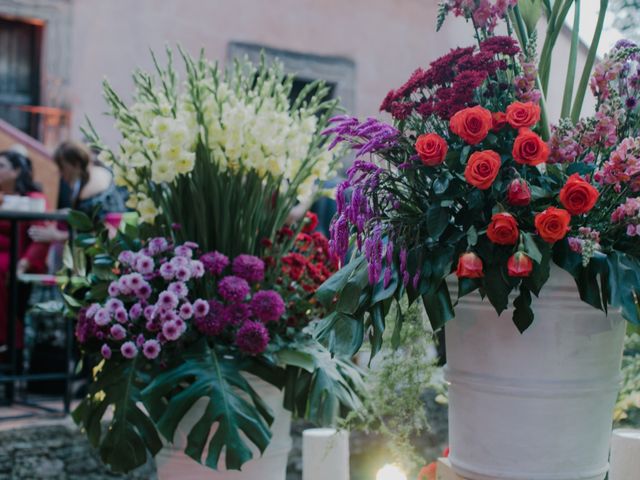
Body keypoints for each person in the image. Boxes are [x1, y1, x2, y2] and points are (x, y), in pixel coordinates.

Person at [0, 150, 50, 352]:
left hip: (16, 257)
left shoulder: (33, 198)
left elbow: (41, 235)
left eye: (1, 166)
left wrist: (25, 262)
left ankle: (7, 343)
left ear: (16, 171)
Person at [28, 141, 127, 243]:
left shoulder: (95, 193)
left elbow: (105, 233)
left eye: (62, 167)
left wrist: (59, 236)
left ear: (76, 164)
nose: (60, 173)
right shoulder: (92, 177)